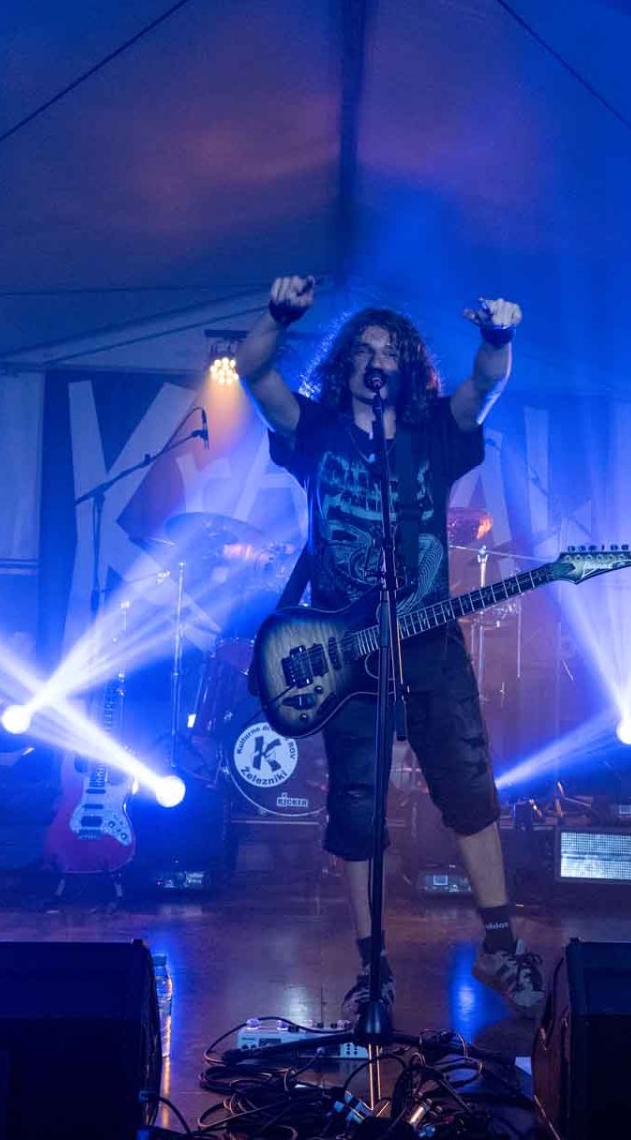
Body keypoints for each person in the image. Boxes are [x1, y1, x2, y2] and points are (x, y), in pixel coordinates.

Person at [237, 275, 544, 1017]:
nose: (376, 361)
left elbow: (485, 386)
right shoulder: (314, 430)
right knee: (357, 808)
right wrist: (277, 317)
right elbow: (255, 372)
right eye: (364, 350)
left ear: (406, 369)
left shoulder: (433, 434)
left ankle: (499, 947)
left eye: (390, 352)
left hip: (429, 641)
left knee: (470, 792)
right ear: (345, 362)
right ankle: (373, 969)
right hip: (345, 652)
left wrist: (497, 338)